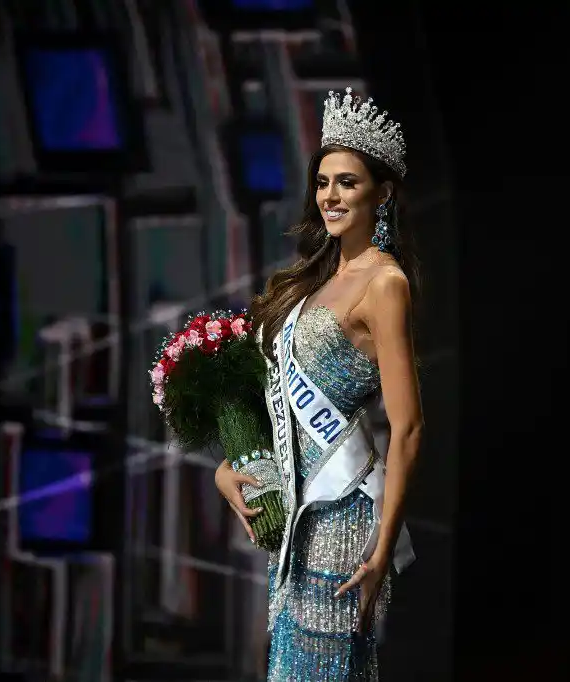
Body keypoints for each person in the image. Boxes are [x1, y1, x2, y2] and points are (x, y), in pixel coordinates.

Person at [214, 88, 422, 681]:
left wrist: (382, 551)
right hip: (300, 517)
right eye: (323, 181)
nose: (330, 195)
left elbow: (407, 428)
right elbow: (278, 397)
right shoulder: (319, 277)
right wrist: (228, 466)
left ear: (382, 194)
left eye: (348, 183)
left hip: (341, 517)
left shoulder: (385, 284)